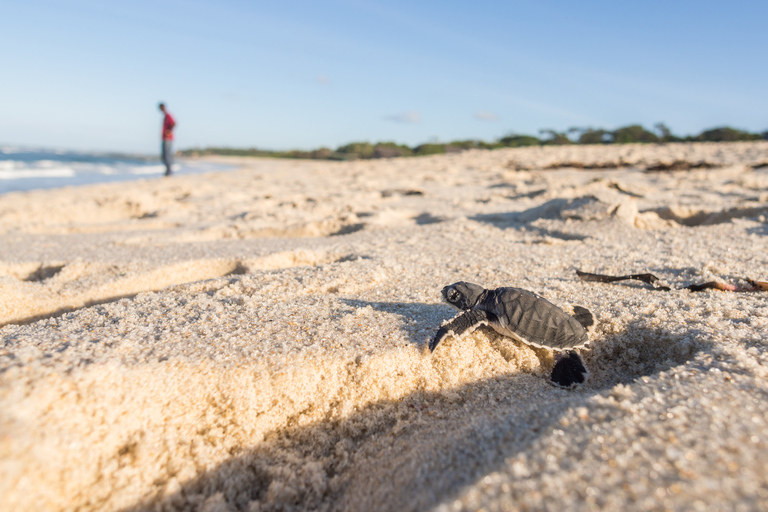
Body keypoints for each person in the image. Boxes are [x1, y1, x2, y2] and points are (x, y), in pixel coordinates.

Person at [158, 103, 176, 176]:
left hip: (168, 139)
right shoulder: (165, 116)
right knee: (164, 156)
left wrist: (169, 131)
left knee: (167, 155)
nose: (161, 109)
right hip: (165, 138)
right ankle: (168, 172)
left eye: (162, 108)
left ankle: (169, 172)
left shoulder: (168, 115)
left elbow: (174, 123)